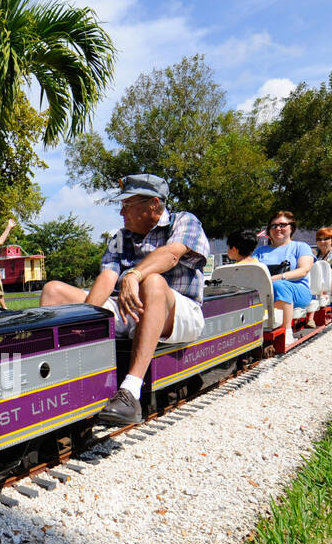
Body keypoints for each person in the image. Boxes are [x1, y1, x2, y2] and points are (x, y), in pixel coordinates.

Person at [41, 173, 208, 425]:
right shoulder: (120, 236)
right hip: (130, 308)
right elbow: (108, 278)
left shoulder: (183, 221)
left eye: (127, 205)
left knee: (152, 282)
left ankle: (130, 392)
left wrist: (135, 274)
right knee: (53, 290)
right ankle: (57, 379)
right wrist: (87, 319)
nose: (121, 213)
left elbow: (171, 255)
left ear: (153, 204)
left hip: (178, 312)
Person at [253, 210, 315, 330]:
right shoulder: (260, 251)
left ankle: (285, 332)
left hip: (297, 290)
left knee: (279, 286)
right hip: (266, 290)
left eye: (282, 225)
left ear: (291, 228)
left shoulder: (301, 247)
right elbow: (250, 269)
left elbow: (304, 270)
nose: (278, 228)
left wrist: (278, 278)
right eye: (274, 226)